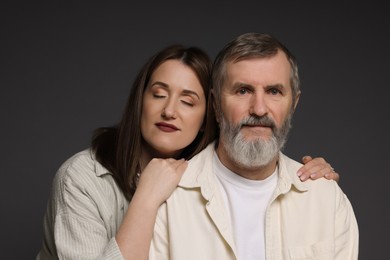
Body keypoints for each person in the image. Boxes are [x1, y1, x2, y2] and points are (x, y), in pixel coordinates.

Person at [36, 44, 339, 260]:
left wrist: (305, 174)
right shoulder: (81, 178)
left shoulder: (199, 180)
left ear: (211, 112)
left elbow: (256, 138)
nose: (169, 111)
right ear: (139, 101)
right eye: (158, 95)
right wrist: (146, 197)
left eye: (188, 101)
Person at [149, 33, 359, 260]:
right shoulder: (168, 197)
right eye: (243, 91)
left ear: (293, 105)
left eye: (274, 92)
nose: (259, 109)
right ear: (216, 104)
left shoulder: (326, 200)